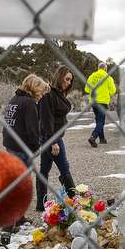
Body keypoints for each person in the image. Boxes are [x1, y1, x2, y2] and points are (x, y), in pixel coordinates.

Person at [2, 73, 49, 227]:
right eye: (40, 91)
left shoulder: (14, 100)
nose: (41, 95)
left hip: (11, 145)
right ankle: (9, 222)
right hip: (22, 148)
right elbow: (32, 130)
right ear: (34, 88)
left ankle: (18, 217)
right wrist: (36, 147)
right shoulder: (29, 103)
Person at [38, 65, 78, 210]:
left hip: (50, 137)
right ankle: (76, 201)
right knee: (64, 168)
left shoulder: (59, 93)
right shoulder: (49, 94)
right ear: (60, 77)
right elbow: (46, 120)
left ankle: (41, 205)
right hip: (51, 138)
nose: (69, 83)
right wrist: (53, 141)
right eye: (67, 79)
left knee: (44, 170)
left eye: (70, 81)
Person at [84, 62, 117, 147]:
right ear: (105, 69)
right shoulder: (108, 77)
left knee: (99, 120)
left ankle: (102, 139)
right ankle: (93, 137)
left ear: (98, 68)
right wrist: (107, 92)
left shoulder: (92, 76)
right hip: (103, 102)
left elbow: (87, 89)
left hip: (94, 102)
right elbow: (113, 91)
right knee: (101, 122)